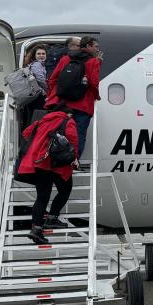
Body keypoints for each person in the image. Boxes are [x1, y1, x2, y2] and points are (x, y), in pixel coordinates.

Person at [17, 104, 79, 244]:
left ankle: (36, 229)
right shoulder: (68, 122)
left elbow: (26, 133)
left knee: (42, 197)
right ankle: (52, 217)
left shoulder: (41, 121)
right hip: (56, 164)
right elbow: (73, 140)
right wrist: (74, 158)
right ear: (67, 113)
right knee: (65, 190)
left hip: (39, 163)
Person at [46, 36, 101, 164]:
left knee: (60, 132)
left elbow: (52, 79)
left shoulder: (66, 58)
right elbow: (93, 83)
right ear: (88, 46)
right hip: (83, 105)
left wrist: (54, 95)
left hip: (63, 104)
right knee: (78, 134)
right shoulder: (93, 61)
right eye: (96, 46)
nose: (97, 49)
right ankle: (73, 162)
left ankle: (55, 160)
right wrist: (97, 96)